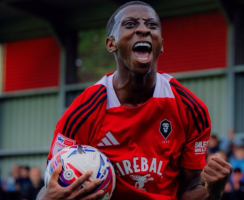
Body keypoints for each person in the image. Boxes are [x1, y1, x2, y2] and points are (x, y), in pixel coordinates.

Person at [38, 1, 232, 200]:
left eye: (151, 25)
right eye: (130, 24)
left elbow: (189, 191)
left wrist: (213, 192)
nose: (143, 29)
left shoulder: (191, 109)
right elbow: (49, 186)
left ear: (161, 44)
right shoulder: (83, 110)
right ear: (111, 43)